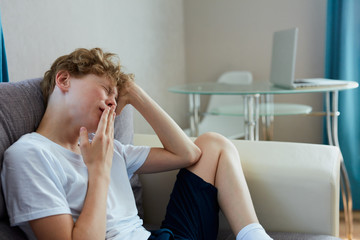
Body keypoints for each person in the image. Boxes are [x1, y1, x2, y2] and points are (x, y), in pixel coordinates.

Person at [1, 48, 272, 240]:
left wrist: (137, 96)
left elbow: (189, 154)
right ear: (64, 79)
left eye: (117, 98)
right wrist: (99, 171)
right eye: (106, 90)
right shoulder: (29, 155)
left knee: (214, 144)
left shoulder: (107, 146)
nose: (112, 102)